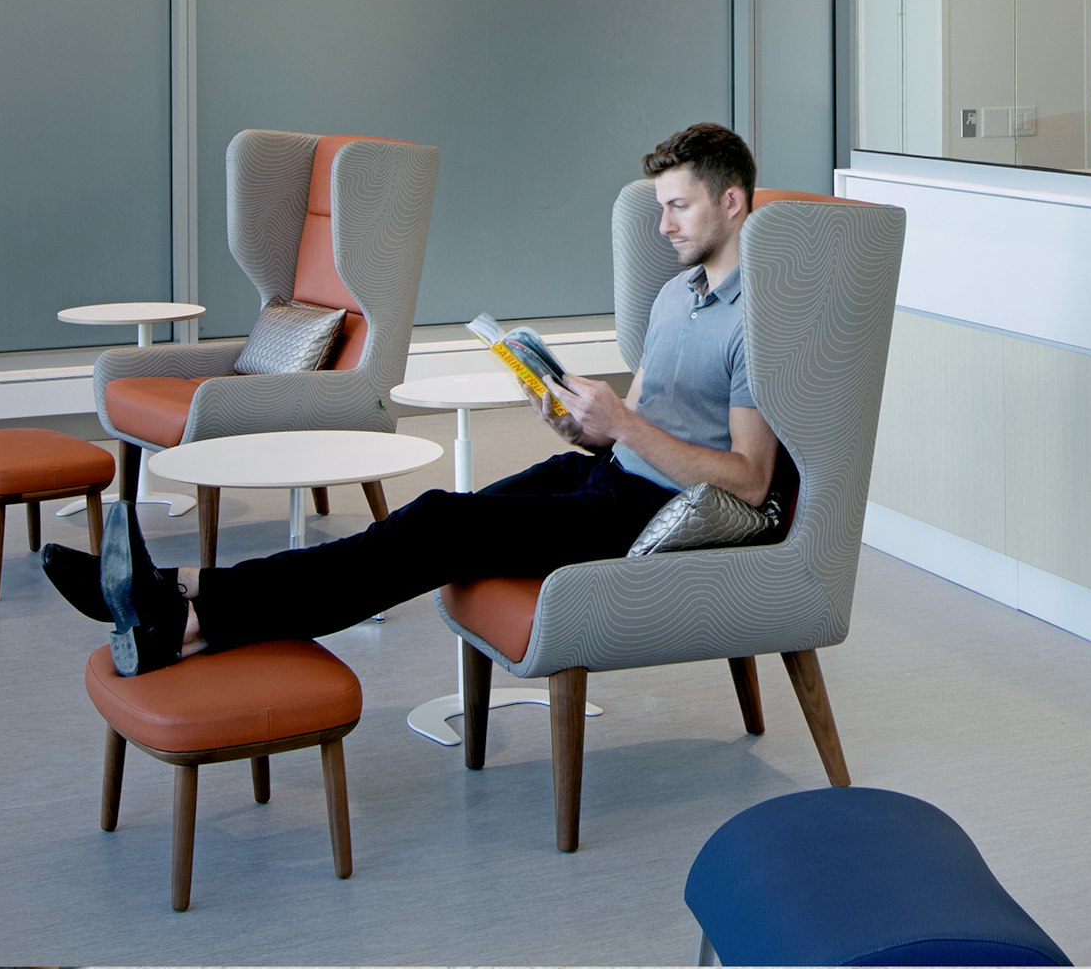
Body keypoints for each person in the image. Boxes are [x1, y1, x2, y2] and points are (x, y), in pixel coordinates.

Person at [44, 122, 786, 676]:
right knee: (427, 522)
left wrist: (622, 421)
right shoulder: (671, 296)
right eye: (659, 207)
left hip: (649, 516)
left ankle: (187, 619)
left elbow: (750, 479)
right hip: (609, 477)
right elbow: (645, 430)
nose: (663, 226)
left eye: (679, 207)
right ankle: (182, 592)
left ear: (731, 202)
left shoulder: (758, 320)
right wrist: (585, 428)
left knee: (436, 524)